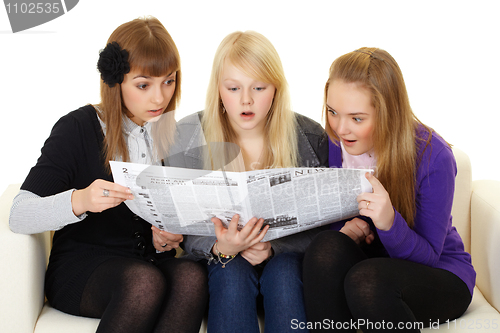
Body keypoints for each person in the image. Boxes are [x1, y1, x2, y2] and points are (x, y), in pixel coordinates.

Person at [9, 17, 208, 333]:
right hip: (83, 269)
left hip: (145, 264)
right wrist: (80, 200)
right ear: (116, 81)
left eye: (169, 81)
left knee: (191, 277)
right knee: (143, 282)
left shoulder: (171, 135)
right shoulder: (78, 128)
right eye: (144, 85)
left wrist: (161, 240)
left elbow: (153, 229)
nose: (159, 98)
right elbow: (19, 214)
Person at [158, 31, 329, 333]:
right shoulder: (185, 135)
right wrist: (221, 247)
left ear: (276, 88)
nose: (246, 100)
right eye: (234, 88)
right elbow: (181, 224)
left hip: (286, 267)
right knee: (231, 268)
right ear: (218, 90)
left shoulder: (310, 136)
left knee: (285, 270)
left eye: (259, 87)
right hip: (221, 268)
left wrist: (273, 247)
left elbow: (325, 227)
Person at [301, 47, 475, 332]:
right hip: (372, 263)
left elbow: (430, 255)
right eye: (333, 112)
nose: (341, 129)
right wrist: (344, 232)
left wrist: (389, 223)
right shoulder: (335, 143)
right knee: (325, 248)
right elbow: (334, 224)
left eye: (357, 118)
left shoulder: (434, 155)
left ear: (387, 112)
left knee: (367, 280)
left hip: (438, 274)